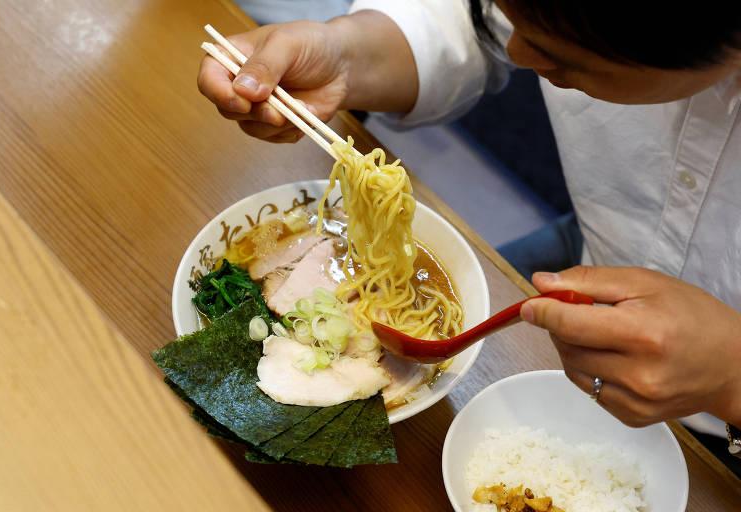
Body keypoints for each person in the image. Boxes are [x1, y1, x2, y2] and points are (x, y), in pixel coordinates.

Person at [197, 0, 741, 469]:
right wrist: (346, 52)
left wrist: (731, 379)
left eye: (566, 59)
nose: (521, 53)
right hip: (590, 257)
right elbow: (469, 22)